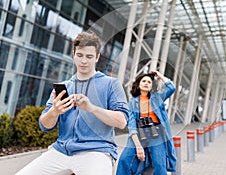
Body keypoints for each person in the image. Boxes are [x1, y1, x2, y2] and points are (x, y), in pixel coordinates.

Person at [16, 31, 129, 175]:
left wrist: (92, 108)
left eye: (89, 57)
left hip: (96, 152)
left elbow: (121, 121)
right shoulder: (63, 86)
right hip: (61, 151)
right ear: (73, 54)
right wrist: (54, 111)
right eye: (80, 55)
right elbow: (44, 126)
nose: (83, 61)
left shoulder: (111, 85)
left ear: (97, 58)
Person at [116, 71, 177, 175]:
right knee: (124, 159)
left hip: (156, 134)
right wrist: (138, 146)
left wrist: (159, 75)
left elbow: (172, 88)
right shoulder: (133, 102)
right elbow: (132, 125)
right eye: (143, 81)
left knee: (159, 164)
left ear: (151, 86)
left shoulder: (157, 98)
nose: (146, 83)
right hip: (139, 134)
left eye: (149, 82)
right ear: (139, 85)